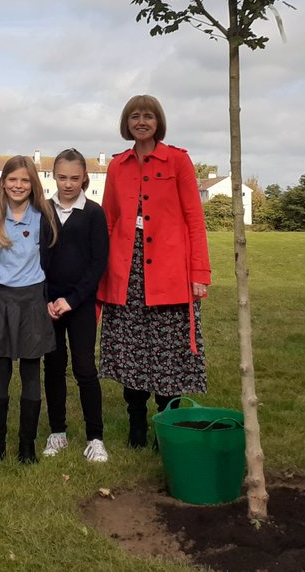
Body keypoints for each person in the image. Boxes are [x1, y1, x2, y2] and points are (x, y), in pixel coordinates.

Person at [97, 95, 210, 448]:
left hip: (170, 272)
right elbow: (108, 219)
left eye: (148, 116)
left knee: (168, 352)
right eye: (135, 116)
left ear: (158, 121)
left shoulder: (177, 160)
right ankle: (136, 423)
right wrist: (98, 269)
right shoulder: (118, 166)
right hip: (126, 271)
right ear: (126, 123)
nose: (141, 122)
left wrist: (199, 273)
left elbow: (194, 219)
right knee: (131, 349)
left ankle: (167, 421)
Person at [0, 155, 58, 464]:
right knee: (0, 372)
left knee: (30, 372)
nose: (18, 185)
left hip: (32, 300)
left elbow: (52, 260)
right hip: (0, 301)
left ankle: (27, 446)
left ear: (33, 184)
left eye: (25, 180)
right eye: (12, 179)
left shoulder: (44, 218)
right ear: (3, 183)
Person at [42, 149, 110, 462]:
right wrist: (46, 299)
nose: (68, 184)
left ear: (84, 178)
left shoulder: (94, 213)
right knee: (54, 367)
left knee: (85, 368)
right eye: (62, 177)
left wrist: (72, 300)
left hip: (80, 304)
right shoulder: (43, 210)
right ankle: (57, 432)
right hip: (49, 305)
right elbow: (36, 258)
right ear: (53, 177)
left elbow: (98, 263)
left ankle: (95, 437)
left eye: (74, 178)